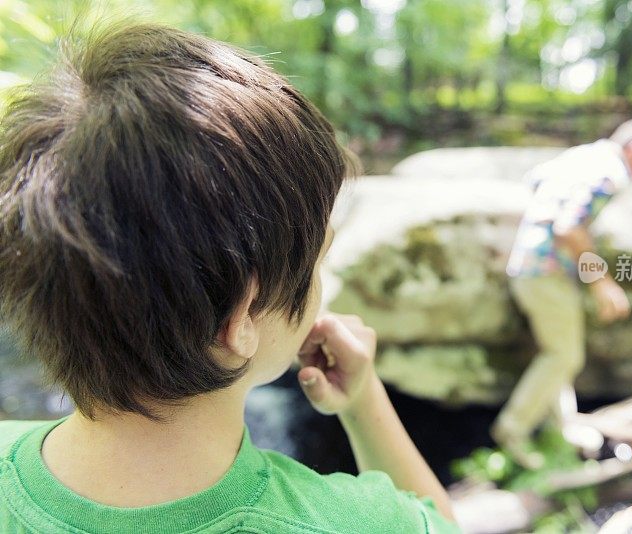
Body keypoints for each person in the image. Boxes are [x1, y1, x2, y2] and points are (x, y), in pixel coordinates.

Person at [0, 22, 458, 534]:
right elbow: (438, 524)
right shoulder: (347, 521)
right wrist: (365, 400)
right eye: (314, 264)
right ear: (242, 317)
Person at [492, 118, 632, 467]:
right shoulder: (610, 171)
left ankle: (561, 426)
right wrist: (601, 282)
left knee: (560, 351)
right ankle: (512, 429)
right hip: (545, 273)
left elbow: (535, 180)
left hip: (529, 267)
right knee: (564, 356)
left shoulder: (582, 157)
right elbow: (569, 227)